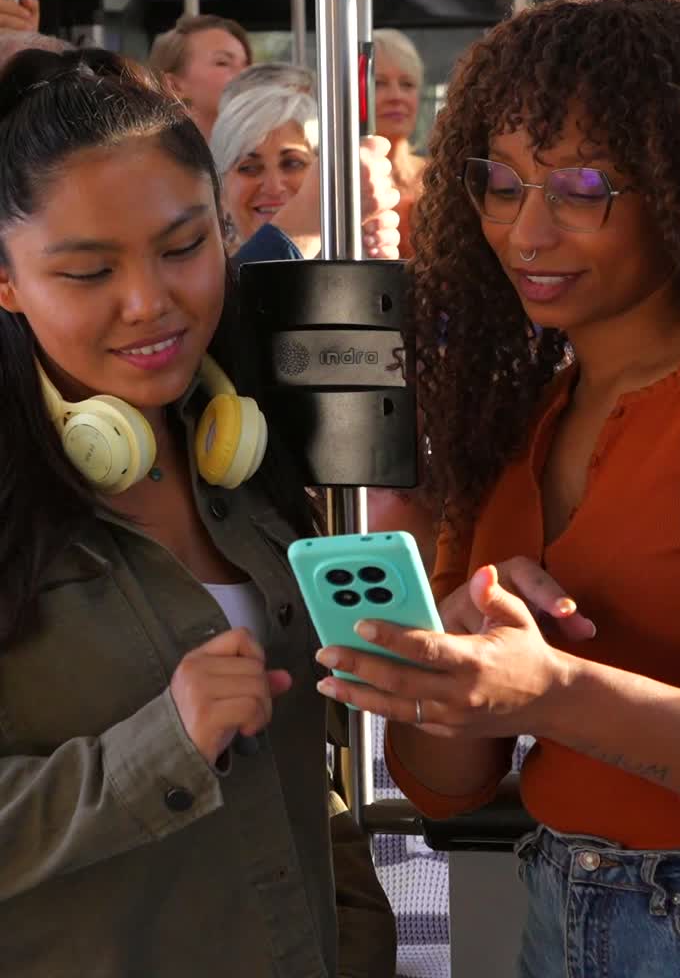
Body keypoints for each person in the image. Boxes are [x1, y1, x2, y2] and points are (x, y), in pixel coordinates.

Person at [314, 0, 680, 977]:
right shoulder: (514, 419)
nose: (525, 232)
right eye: (499, 184)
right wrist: (447, 664)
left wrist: (558, 689)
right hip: (555, 903)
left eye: (582, 189)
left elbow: (549, 703)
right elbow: (450, 785)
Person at [0, 47, 395, 977]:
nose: (151, 304)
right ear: (7, 282)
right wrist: (156, 753)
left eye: (184, 248)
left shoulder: (243, 449)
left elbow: (302, 770)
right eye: (88, 273)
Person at [211, 62, 401, 262]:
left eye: (292, 163)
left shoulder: (355, 261)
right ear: (221, 191)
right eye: (249, 168)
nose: (274, 186)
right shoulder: (205, 280)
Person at [149, 14, 253, 139]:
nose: (245, 73)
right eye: (223, 63)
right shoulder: (149, 155)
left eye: (246, 64)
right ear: (174, 86)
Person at [373, 29, 426, 258]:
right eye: (379, 84)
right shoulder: (338, 183)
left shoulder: (438, 175)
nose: (396, 96)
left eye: (407, 84)